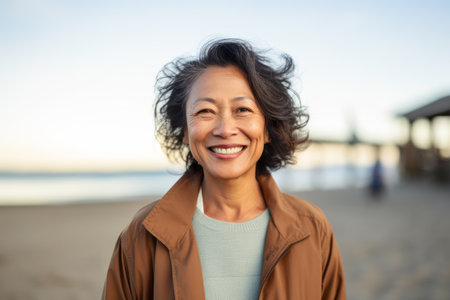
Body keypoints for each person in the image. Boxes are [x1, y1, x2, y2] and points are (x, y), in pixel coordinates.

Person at [102, 39, 346, 300]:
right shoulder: (143, 234)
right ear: (185, 130)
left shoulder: (311, 228)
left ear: (267, 128)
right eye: (205, 111)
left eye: (243, 110)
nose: (225, 129)